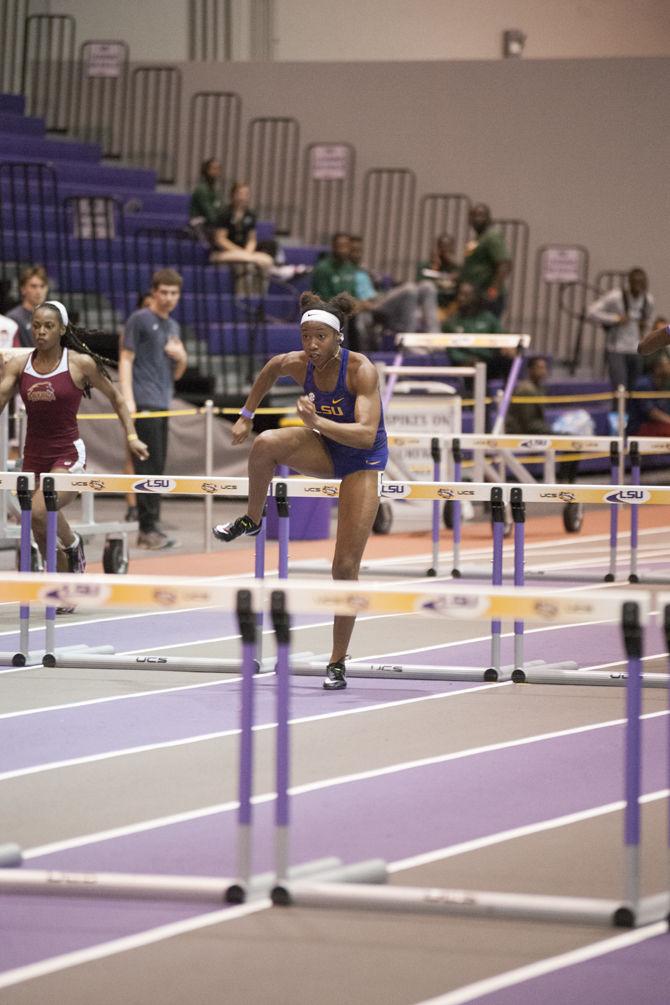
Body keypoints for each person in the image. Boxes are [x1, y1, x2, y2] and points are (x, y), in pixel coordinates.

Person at [212, 290, 388, 691]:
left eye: (319, 337)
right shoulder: (297, 362)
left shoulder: (361, 370)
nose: (311, 345)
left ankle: (338, 659)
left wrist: (315, 421)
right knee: (266, 443)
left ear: (337, 337)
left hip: (362, 460)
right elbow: (270, 369)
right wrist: (245, 415)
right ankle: (252, 519)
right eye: (305, 336)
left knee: (344, 568)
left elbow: (363, 435)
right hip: (326, 449)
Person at [0, 300, 148, 602]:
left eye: (48, 326)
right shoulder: (19, 364)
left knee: (41, 510)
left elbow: (118, 399)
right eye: (36, 325)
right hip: (34, 456)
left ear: (62, 329)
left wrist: (132, 436)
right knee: (37, 523)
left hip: (67, 454)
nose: (41, 332)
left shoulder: (81, 364)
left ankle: (65, 570)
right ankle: (66, 563)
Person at [119, 269, 188, 550]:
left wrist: (183, 357)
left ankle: (151, 526)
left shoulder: (173, 327)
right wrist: (128, 399)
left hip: (163, 402)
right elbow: (125, 358)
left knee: (157, 466)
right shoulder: (140, 319)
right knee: (146, 465)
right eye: (164, 292)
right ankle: (147, 528)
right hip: (144, 402)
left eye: (174, 293)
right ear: (154, 293)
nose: (169, 298)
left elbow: (177, 374)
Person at [348, 234, 439, 348]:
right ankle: (408, 344)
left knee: (427, 286)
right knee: (409, 289)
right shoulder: (343, 273)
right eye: (354, 251)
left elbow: (383, 284)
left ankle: (435, 339)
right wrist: (361, 304)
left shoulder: (363, 269)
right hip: (371, 308)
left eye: (359, 251)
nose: (357, 254)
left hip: (380, 299)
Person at [588, 268, 655, 393]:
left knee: (633, 388)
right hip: (617, 348)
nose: (639, 286)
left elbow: (650, 319)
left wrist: (644, 326)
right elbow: (591, 312)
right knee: (620, 388)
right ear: (630, 282)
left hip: (637, 349)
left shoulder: (648, 300)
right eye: (636, 282)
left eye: (642, 283)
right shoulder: (616, 296)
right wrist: (615, 318)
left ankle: (630, 412)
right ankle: (617, 412)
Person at [209, 181, 274, 292]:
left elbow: (252, 239)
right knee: (245, 263)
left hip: (245, 253)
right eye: (240, 193)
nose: (243, 197)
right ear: (233, 195)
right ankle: (243, 297)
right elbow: (220, 239)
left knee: (267, 260)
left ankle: (260, 297)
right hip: (223, 253)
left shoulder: (250, 215)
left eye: (246, 194)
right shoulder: (225, 213)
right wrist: (241, 253)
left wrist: (247, 252)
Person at [442, 281, 514, 381]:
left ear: (475, 297)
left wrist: (507, 347)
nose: (462, 298)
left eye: (466, 295)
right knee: (471, 369)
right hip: (465, 363)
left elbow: (501, 335)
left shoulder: (488, 318)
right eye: (460, 294)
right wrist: (466, 360)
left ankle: (509, 392)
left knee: (507, 360)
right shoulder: (452, 321)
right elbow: (451, 350)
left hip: (487, 361)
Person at [459, 203, 511, 318]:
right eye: (474, 216)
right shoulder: (478, 239)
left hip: (488, 295)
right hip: (476, 294)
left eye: (481, 215)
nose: (477, 219)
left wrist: (493, 291)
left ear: (489, 218)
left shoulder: (492, 237)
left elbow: (504, 265)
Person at [627, 348, 670, 437]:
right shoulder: (643, 384)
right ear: (657, 367)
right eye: (668, 364)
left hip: (659, 426)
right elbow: (651, 412)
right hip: (641, 429)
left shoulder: (664, 383)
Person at [6, 264, 49, 347]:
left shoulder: (54, 317)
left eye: (42, 286)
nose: (38, 291)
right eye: (33, 286)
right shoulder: (13, 318)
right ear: (23, 289)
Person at [415, 232, 460, 313]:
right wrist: (434, 267)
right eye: (442, 247)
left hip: (451, 305)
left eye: (448, 247)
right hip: (431, 305)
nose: (445, 251)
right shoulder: (425, 267)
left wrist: (454, 265)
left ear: (453, 249)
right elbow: (422, 286)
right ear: (437, 248)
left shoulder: (457, 268)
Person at [189, 158, 225, 244]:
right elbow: (209, 214)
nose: (216, 172)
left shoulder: (216, 191)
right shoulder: (201, 189)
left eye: (218, 169)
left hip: (211, 224)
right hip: (200, 224)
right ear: (206, 170)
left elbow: (222, 209)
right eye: (213, 169)